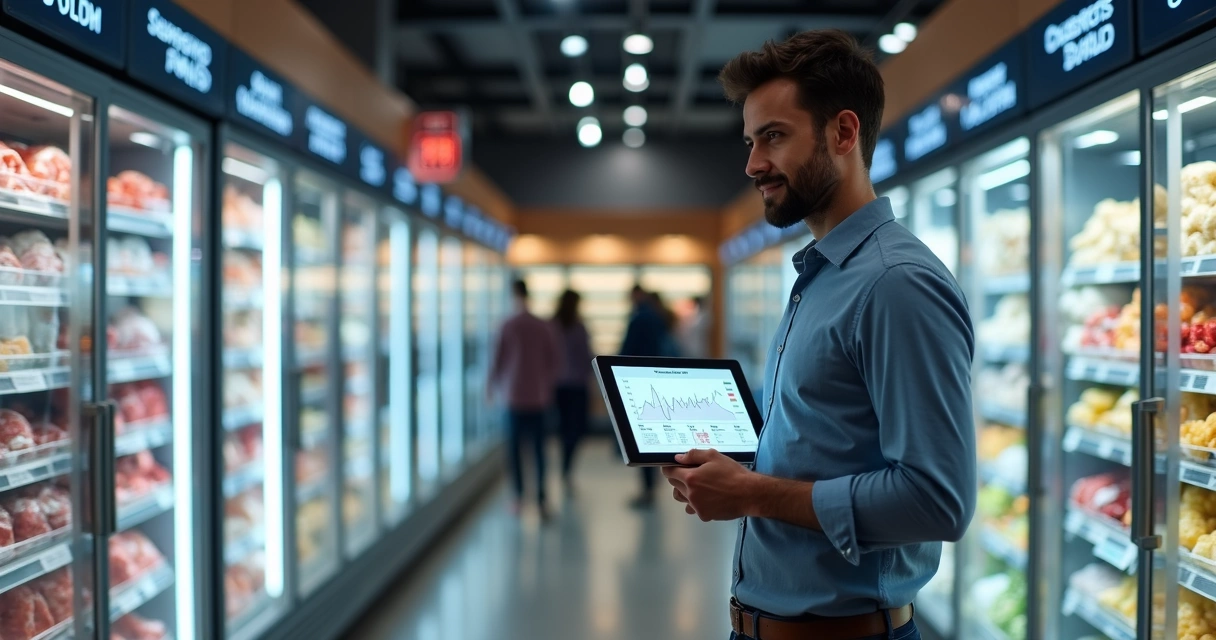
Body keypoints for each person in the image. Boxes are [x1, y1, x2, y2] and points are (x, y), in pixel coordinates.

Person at [661, 30, 976, 640]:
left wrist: (752, 493)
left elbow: (937, 500)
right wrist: (733, 471)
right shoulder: (821, 274)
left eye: (774, 137)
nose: (753, 163)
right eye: (751, 141)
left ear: (844, 133)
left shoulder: (894, 283)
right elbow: (827, 440)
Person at [488, 279, 561, 519]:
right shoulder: (543, 325)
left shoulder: (507, 325)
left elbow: (497, 360)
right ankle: (541, 499)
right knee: (540, 451)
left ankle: (519, 497)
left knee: (515, 451)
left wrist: (490, 387)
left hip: (513, 398)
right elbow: (553, 361)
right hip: (539, 398)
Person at [619, 285, 671, 509]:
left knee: (643, 439)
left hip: (639, 381)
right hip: (656, 380)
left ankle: (647, 489)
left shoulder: (640, 318)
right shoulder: (659, 317)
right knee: (653, 437)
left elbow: (626, 351)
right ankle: (651, 487)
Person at [552, 289, 593, 494]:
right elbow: (587, 356)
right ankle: (567, 468)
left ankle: (565, 467)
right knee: (576, 430)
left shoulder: (553, 325)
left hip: (559, 386)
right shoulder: (578, 327)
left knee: (565, 428)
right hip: (577, 386)